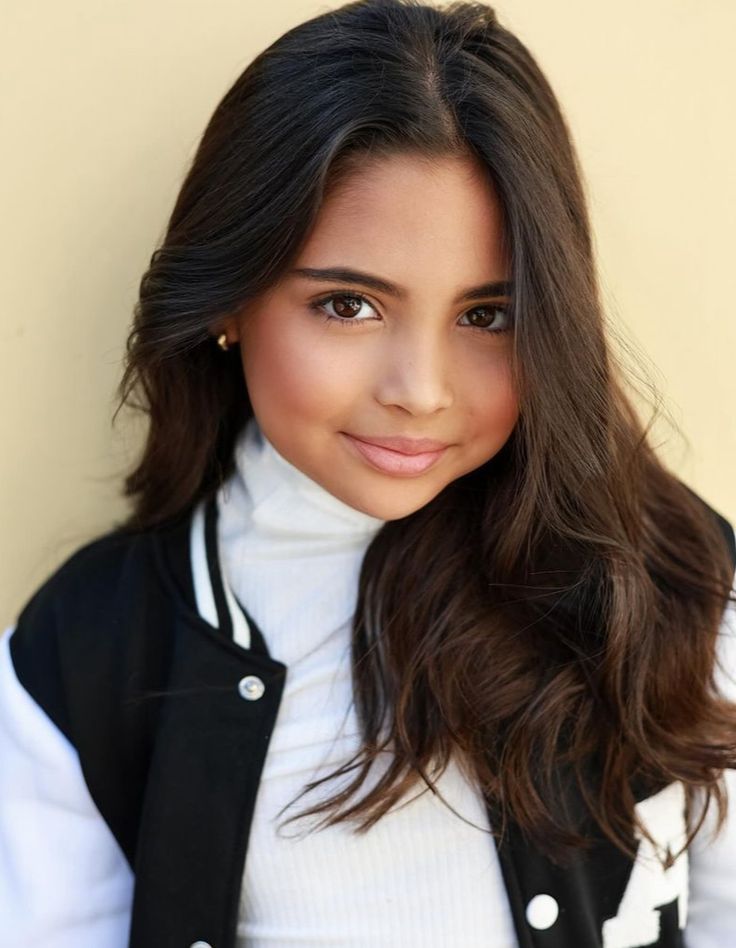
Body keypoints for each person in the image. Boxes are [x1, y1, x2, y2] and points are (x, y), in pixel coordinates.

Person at [1, 0, 735, 945]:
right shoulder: (86, 658)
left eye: (486, 316)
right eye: (348, 305)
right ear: (231, 298)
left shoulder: (674, 570)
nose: (420, 391)